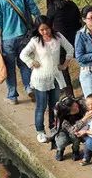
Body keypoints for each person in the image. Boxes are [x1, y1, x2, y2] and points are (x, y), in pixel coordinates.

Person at [19, 16, 75, 144]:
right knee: (41, 105)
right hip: (40, 78)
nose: (45, 32)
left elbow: (70, 48)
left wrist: (65, 64)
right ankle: (40, 131)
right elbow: (23, 54)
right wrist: (32, 62)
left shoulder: (58, 37)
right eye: (42, 30)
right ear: (38, 30)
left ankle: (53, 127)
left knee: (54, 105)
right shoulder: (35, 41)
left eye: (47, 29)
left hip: (55, 76)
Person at [0, 0, 38, 103]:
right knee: (24, 63)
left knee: (10, 67)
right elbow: (36, 11)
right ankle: (29, 87)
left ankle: (13, 96)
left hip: (7, 39)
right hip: (25, 36)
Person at [44, 0, 79, 97]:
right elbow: (78, 19)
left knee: (63, 68)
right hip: (76, 39)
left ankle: (70, 95)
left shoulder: (52, 10)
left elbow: (47, 26)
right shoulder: (71, 4)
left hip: (61, 43)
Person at [50, 95, 87, 162]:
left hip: (79, 129)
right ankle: (60, 149)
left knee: (75, 136)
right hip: (64, 130)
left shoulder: (81, 103)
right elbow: (71, 130)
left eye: (75, 105)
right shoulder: (60, 115)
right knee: (62, 141)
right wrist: (83, 120)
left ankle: (75, 150)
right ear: (67, 113)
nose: (76, 107)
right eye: (72, 109)